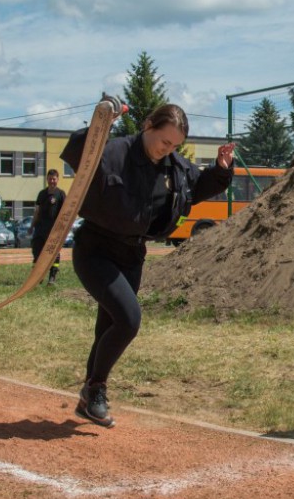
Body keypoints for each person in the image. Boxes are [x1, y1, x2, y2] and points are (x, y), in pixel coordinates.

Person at [60, 102, 235, 428]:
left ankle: (90, 397)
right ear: (149, 125)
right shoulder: (115, 151)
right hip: (95, 249)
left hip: (132, 255)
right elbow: (76, 153)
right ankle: (95, 387)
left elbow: (198, 187)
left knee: (108, 326)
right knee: (129, 320)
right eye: (164, 141)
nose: (167, 150)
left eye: (174, 146)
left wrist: (221, 169)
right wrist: (101, 125)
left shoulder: (174, 168)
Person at [30, 168, 67, 285]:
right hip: (40, 229)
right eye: (50, 179)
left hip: (54, 230)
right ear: (47, 179)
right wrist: (32, 225)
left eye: (54, 179)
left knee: (53, 253)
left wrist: (63, 229)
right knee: (37, 251)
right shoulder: (42, 194)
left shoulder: (61, 194)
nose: (52, 181)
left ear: (57, 179)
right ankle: (38, 277)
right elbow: (37, 211)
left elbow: (65, 213)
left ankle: (52, 277)